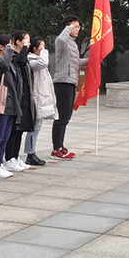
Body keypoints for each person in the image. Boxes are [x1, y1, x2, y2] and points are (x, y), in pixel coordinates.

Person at [51, 15, 87, 160]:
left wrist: (92, 60)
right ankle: (56, 148)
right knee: (61, 116)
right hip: (62, 82)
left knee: (66, 116)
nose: (77, 29)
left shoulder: (73, 44)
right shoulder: (62, 41)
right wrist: (68, 29)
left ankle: (60, 145)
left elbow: (75, 62)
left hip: (71, 82)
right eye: (75, 27)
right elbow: (59, 40)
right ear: (67, 27)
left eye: (78, 27)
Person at [0, 34, 17, 180]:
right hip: (3, 101)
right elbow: (3, 67)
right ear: (2, 47)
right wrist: (8, 52)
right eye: (8, 45)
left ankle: (0, 162)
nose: (11, 48)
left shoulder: (10, 61)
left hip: (11, 102)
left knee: (5, 136)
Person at [25, 37, 56, 166]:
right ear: (34, 48)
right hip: (35, 98)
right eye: (41, 46)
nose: (44, 49)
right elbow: (43, 63)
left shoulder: (38, 59)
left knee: (37, 128)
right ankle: (30, 154)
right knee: (33, 128)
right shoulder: (32, 60)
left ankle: (31, 152)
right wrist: (44, 52)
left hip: (41, 97)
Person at [4, 31, 33, 172]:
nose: (28, 42)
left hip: (24, 96)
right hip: (15, 97)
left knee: (20, 130)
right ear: (17, 42)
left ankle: (15, 157)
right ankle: (9, 157)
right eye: (25, 39)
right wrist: (26, 49)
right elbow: (21, 62)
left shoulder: (23, 55)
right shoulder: (13, 56)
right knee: (13, 130)